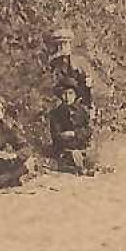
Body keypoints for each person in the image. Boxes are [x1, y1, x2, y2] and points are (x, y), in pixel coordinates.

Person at [45, 27, 98, 174]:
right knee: (61, 121)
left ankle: (81, 154)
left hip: (80, 97)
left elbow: (87, 85)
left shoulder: (78, 62)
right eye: (59, 44)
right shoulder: (54, 62)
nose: (62, 48)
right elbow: (53, 82)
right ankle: (70, 157)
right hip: (64, 97)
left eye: (65, 44)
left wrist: (86, 92)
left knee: (84, 123)